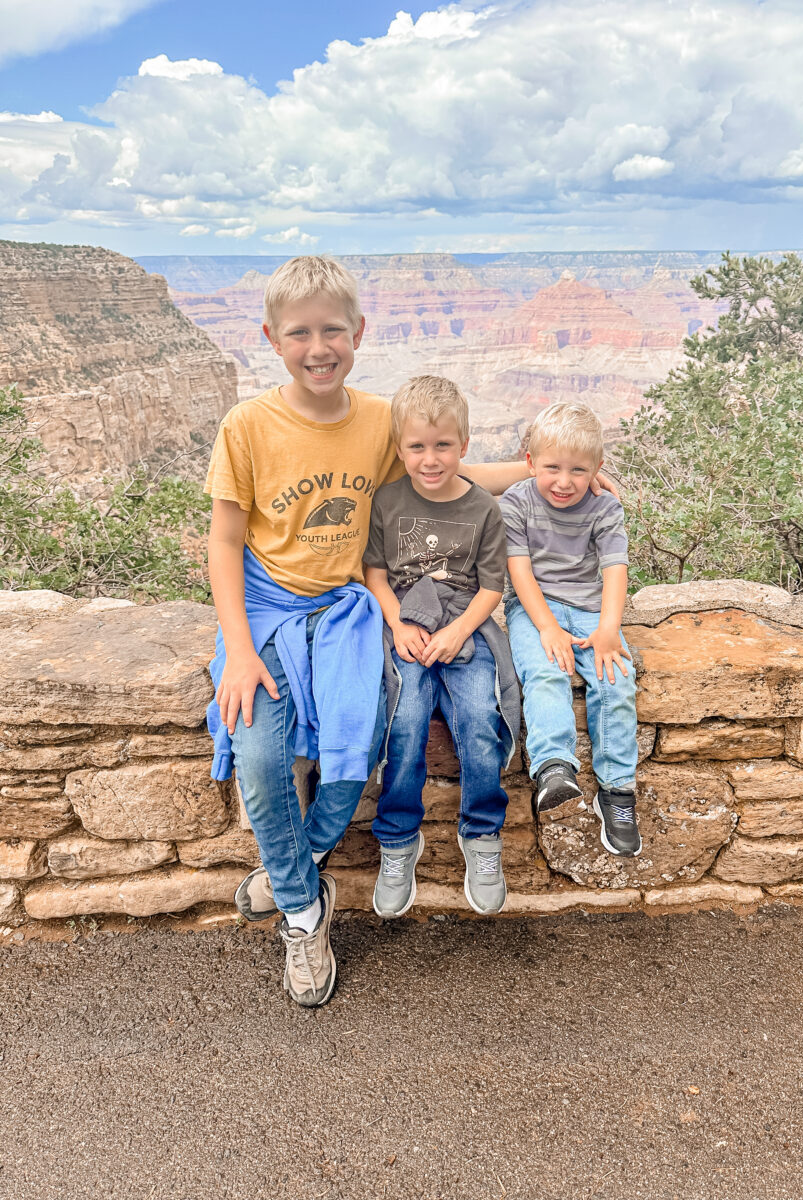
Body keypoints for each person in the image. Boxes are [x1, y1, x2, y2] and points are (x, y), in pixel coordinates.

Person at [204, 257, 620, 1008]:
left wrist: (561, 476)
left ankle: (292, 870)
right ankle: (304, 909)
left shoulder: (377, 421)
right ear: (270, 337)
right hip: (267, 611)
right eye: (299, 334)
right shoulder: (248, 426)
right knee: (260, 756)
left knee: (358, 746)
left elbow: (450, 473)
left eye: (333, 330)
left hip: (348, 611)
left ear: (359, 333)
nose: (318, 348)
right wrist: (237, 649)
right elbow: (224, 541)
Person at [363, 376, 519, 919]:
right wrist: (399, 626)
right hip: (406, 622)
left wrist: (458, 633)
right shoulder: (388, 501)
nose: (430, 460)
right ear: (399, 448)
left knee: (479, 717)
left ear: (464, 444)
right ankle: (398, 838)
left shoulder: (483, 509)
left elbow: (492, 588)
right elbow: (376, 574)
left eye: (443, 446)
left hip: (464, 625)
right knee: (404, 721)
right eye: (417, 447)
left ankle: (482, 833)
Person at [499, 402, 641, 856]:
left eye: (578, 470)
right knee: (545, 672)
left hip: (589, 606)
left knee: (615, 678)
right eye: (553, 468)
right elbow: (519, 571)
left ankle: (617, 791)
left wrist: (609, 629)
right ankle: (554, 767)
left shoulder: (604, 507)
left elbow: (614, 569)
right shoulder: (516, 502)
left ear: (597, 468)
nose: (564, 482)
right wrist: (547, 628)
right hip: (533, 607)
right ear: (530, 463)